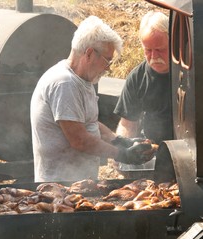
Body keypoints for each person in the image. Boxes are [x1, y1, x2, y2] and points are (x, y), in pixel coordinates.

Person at [30, 15, 154, 182]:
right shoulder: (64, 84)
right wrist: (122, 155)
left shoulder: (82, 80)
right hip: (60, 186)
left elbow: (89, 123)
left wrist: (120, 141)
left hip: (80, 182)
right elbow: (80, 140)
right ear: (89, 54)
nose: (108, 69)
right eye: (107, 60)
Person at [113, 11, 173, 146]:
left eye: (160, 49)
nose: (154, 56)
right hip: (153, 152)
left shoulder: (188, 72)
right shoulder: (137, 78)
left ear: (173, 42)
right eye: (148, 50)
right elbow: (128, 124)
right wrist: (122, 149)